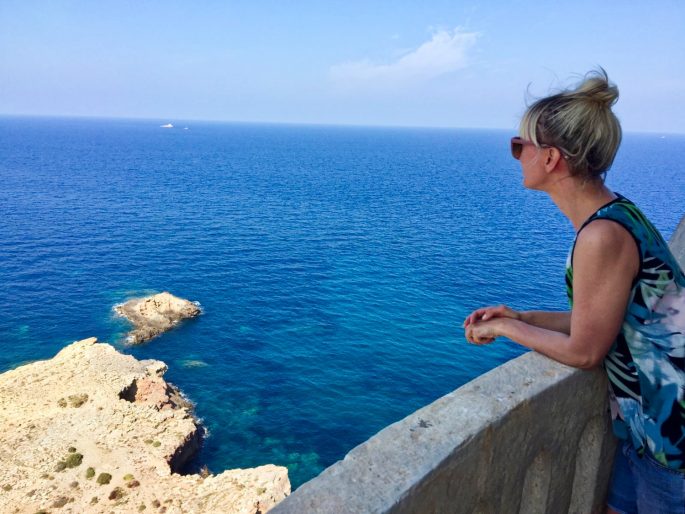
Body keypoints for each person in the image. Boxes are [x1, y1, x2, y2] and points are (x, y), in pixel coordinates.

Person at [462, 69, 685, 514]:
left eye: (519, 145)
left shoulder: (602, 236)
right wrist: (524, 317)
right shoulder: (617, 215)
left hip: (672, 437)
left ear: (551, 159)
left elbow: (585, 351)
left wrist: (506, 328)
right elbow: (603, 316)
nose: (515, 154)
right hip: (646, 429)